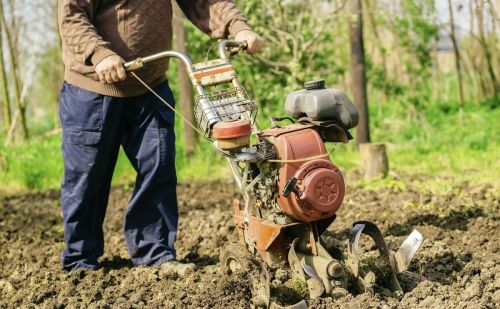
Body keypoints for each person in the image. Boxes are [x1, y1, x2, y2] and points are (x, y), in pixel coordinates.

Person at [58, 0, 263, 272]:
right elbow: (71, 15)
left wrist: (238, 27)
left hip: (151, 86)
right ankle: (80, 261)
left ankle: (155, 255)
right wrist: (99, 53)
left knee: (159, 169)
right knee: (86, 178)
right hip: (93, 90)